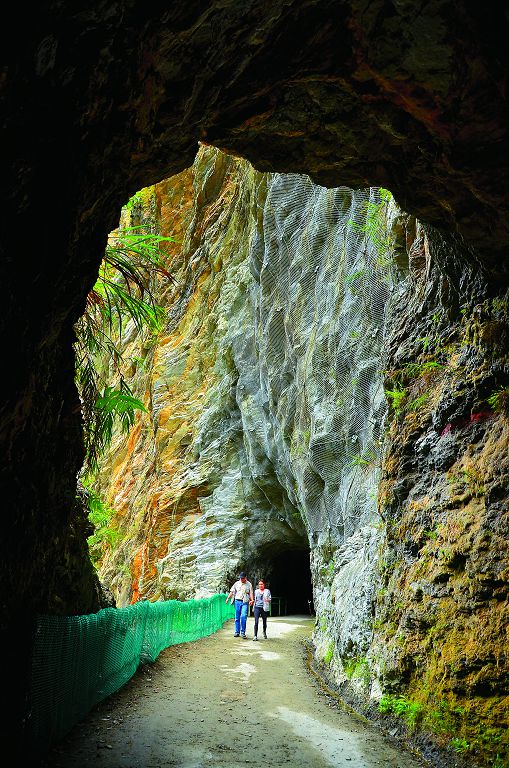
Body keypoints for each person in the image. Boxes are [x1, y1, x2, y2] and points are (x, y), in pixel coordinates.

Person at [226, 572, 254, 639]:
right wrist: (228, 598)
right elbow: (232, 591)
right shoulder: (236, 583)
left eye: (243, 578)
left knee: (243, 616)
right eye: (241, 578)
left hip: (245, 602)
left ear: (245, 577)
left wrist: (252, 600)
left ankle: (243, 632)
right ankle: (237, 632)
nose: (241, 579)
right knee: (237, 617)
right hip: (237, 601)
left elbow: (251, 593)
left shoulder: (249, 584)